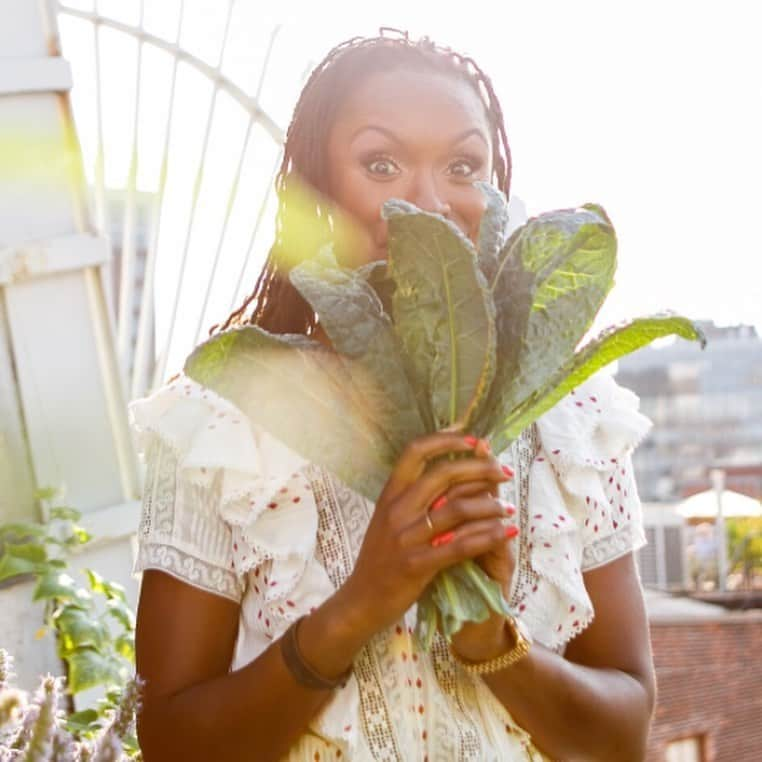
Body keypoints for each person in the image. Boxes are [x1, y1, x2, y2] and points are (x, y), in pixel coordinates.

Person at [130, 31, 657, 761]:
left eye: (463, 166)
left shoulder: (574, 426)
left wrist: (492, 642)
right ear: (314, 193)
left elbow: (624, 736)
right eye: (381, 164)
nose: (428, 204)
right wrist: (360, 605)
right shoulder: (221, 427)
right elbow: (170, 744)